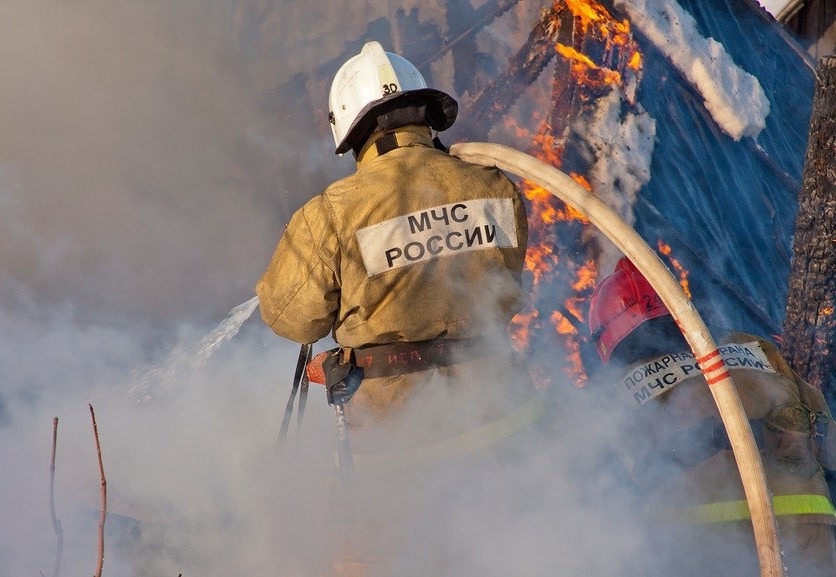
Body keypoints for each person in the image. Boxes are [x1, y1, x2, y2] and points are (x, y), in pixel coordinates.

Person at [256, 41, 543, 577]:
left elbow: (290, 317)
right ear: (424, 115)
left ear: (351, 130)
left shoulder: (332, 213)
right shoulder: (492, 184)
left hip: (400, 443)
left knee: (369, 560)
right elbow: (496, 283)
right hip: (506, 421)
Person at [585, 256, 836, 577]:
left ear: (608, 337)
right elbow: (827, 442)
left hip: (699, 545)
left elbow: (595, 491)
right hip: (806, 534)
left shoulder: (611, 392)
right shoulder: (754, 346)